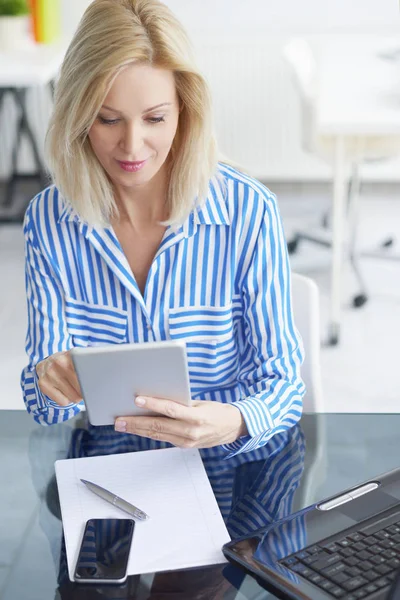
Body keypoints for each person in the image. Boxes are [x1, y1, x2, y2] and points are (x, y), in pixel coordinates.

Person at [21, 0, 305, 457]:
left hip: (228, 465)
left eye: (155, 118)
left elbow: (285, 387)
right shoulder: (49, 222)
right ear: (77, 116)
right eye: (108, 119)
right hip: (108, 467)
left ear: (184, 112)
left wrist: (230, 421)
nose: (132, 145)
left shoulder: (248, 211)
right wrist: (48, 379)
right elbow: (44, 408)